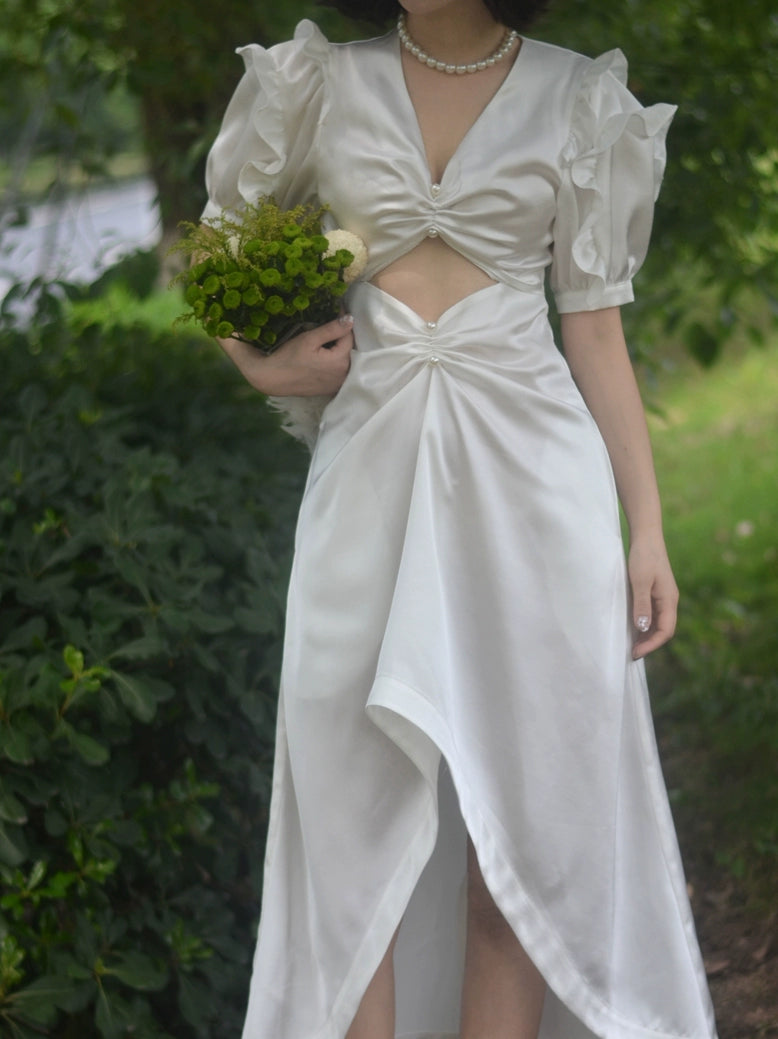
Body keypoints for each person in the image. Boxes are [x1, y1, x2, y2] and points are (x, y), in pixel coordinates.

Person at [202, 0, 718, 1036]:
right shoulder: (317, 82)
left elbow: (596, 330)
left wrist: (645, 528)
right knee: (347, 831)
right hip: (366, 482)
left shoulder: (579, 96)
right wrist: (265, 362)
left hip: (536, 490)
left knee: (525, 826)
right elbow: (219, 262)